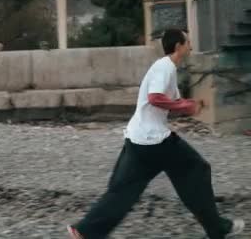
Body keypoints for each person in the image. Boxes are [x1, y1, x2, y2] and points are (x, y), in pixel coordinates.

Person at [67, 29, 245, 239]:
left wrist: (189, 106)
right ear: (178, 46)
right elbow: (155, 98)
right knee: (197, 170)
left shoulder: (165, 67)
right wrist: (187, 105)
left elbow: (170, 103)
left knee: (122, 189)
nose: (191, 46)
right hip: (154, 140)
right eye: (188, 42)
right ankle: (218, 229)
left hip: (138, 138)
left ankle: (85, 231)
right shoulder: (165, 67)